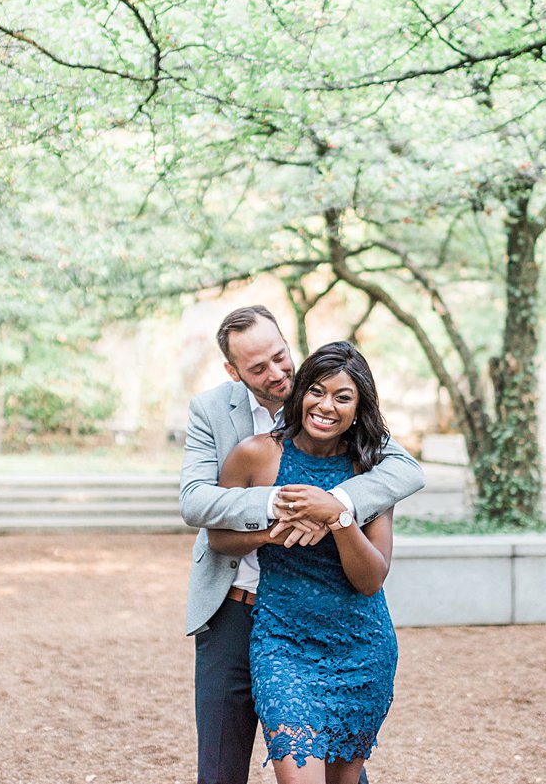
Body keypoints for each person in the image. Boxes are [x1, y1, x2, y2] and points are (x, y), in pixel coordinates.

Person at [179, 307, 424, 784]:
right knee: (222, 769)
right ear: (234, 372)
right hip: (240, 610)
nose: (277, 374)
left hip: (346, 626)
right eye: (258, 368)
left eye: (281, 356)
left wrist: (334, 508)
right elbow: (196, 504)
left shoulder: (360, 446)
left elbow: (407, 473)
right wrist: (282, 509)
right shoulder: (222, 420)